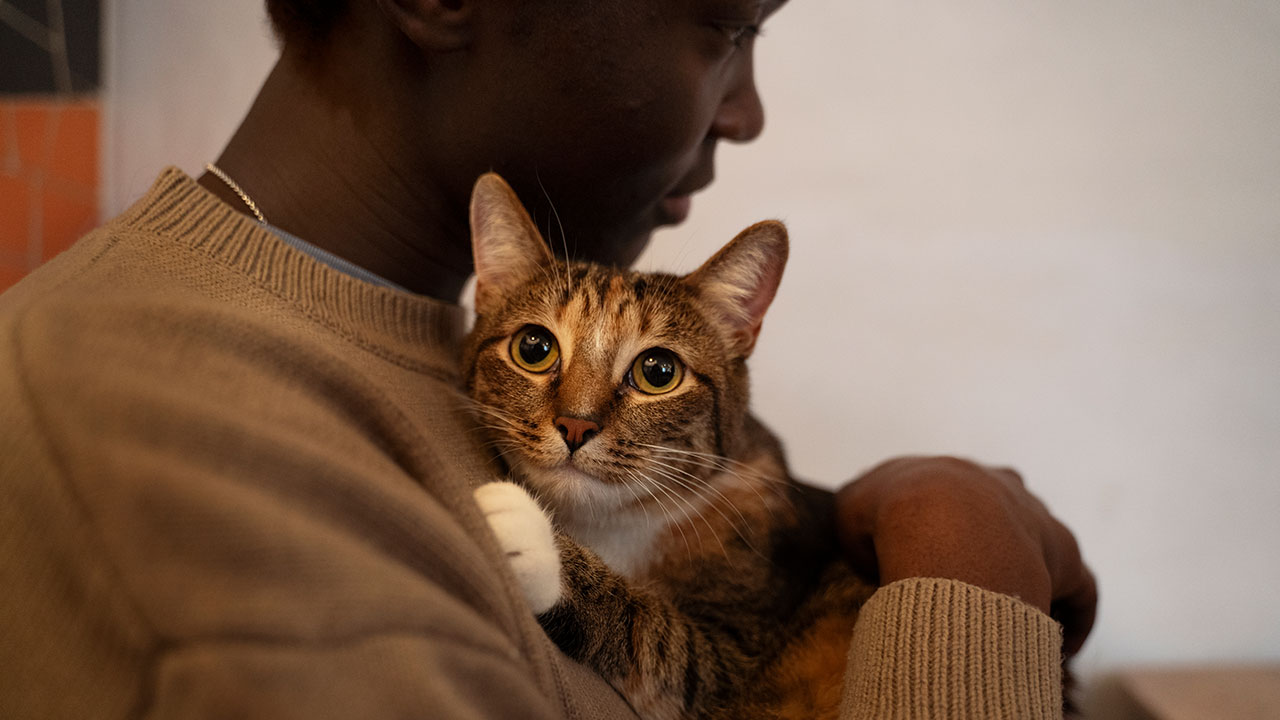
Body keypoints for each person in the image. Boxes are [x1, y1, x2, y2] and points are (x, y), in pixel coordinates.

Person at [0, 0, 1096, 717]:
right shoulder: (162, 442)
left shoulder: (429, 349)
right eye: (722, 25)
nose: (750, 112)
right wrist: (966, 571)